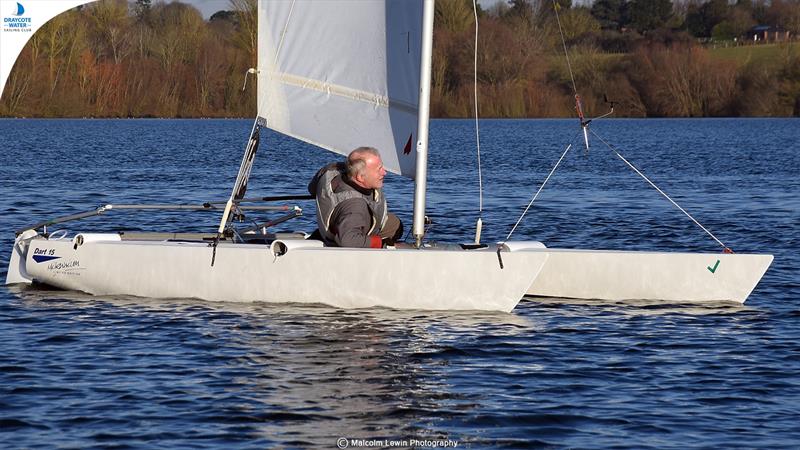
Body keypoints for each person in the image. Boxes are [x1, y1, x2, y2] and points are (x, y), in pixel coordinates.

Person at [308, 147, 403, 248]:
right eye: (379, 169)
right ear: (361, 177)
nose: (384, 173)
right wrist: (382, 243)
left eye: (382, 167)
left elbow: (312, 189)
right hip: (346, 233)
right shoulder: (355, 206)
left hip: (344, 222)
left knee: (396, 225)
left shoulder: (330, 169)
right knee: (391, 232)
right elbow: (348, 241)